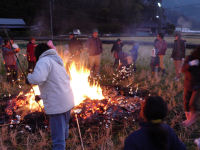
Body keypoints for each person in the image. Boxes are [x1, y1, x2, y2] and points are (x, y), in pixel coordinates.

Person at [27, 43, 74, 150]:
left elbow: (38, 78)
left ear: (38, 53)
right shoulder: (56, 61)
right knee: (64, 130)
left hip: (57, 106)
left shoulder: (43, 61)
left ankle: (60, 147)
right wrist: (41, 96)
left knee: (58, 139)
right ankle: (65, 143)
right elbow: (54, 84)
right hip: (67, 101)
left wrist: (29, 78)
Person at [182, 47, 200, 127]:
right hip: (188, 84)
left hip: (198, 85)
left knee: (192, 103)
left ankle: (190, 121)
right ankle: (189, 120)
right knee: (186, 103)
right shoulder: (189, 58)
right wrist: (190, 64)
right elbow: (182, 69)